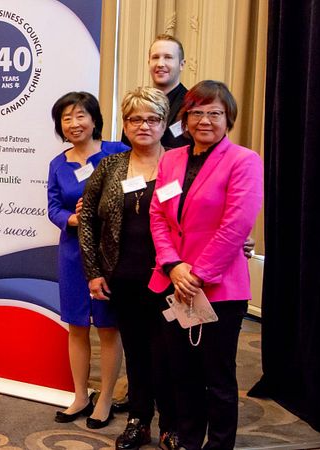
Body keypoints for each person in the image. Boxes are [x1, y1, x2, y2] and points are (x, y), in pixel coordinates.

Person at [149, 80, 263, 449]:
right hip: (174, 285)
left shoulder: (244, 161)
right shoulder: (170, 159)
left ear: (228, 118)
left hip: (219, 289)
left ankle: (219, 444)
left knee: (218, 378)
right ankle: (189, 439)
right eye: (196, 112)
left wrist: (196, 275)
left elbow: (236, 227)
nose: (205, 120)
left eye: (215, 112)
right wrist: (173, 266)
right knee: (181, 372)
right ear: (185, 118)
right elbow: (158, 217)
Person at [79, 87, 179, 449]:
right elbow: (87, 216)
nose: (144, 126)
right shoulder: (111, 164)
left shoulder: (180, 162)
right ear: (125, 124)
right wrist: (93, 270)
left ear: (164, 123)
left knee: (168, 353)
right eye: (135, 119)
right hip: (123, 275)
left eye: (152, 119)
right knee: (136, 351)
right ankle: (139, 420)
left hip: (171, 278)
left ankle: (172, 424)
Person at [47, 91, 128, 428]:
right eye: (66, 118)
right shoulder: (58, 164)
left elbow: (137, 193)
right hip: (72, 252)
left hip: (111, 254)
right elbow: (53, 208)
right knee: (77, 325)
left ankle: (106, 397)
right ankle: (81, 394)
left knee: (108, 327)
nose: (74, 123)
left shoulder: (118, 153)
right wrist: (73, 219)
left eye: (80, 115)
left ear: (94, 119)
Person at [122, 34, 190, 150]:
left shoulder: (193, 105)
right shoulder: (137, 104)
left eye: (168, 57)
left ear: (181, 65)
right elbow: (126, 147)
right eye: (155, 57)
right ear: (149, 62)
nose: (160, 64)